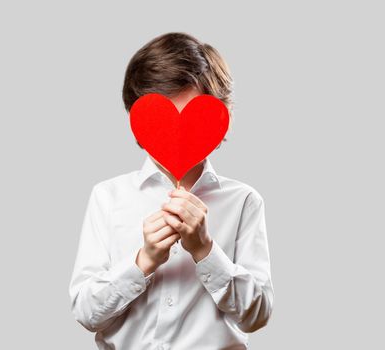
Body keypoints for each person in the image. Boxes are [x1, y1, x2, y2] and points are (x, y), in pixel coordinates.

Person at [69, 32, 274, 350]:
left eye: (193, 117)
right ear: (137, 118)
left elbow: (257, 315)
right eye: (164, 117)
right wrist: (144, 260)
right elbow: (86, 313)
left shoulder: (244, 201)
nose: (178, 133)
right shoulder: (108, 198)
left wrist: (205, 250)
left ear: (222, 115)